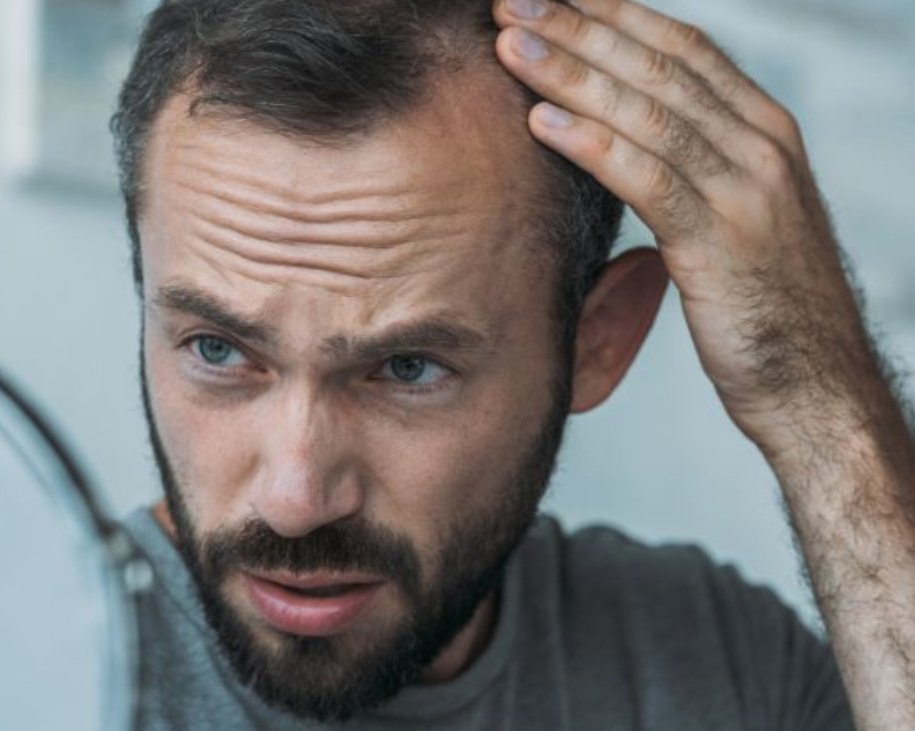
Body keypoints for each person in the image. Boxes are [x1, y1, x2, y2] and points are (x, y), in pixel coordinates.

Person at [108, 0, 914, 728]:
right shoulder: (20, 661)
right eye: (217, 350)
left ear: (598, 340)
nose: (296, 498)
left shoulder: (719, 663)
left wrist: (821, 400)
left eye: (409, 367)